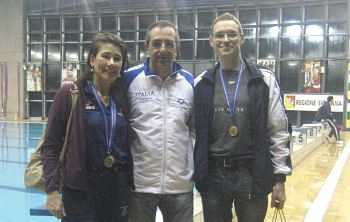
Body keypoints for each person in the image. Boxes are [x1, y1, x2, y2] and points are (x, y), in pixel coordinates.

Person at [193, 13, 292, 222]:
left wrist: (279, 180)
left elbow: (278, 130)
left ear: (242, 37)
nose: (225, 40)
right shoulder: (201, 83)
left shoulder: (264, 79)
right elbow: (192, 129)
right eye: (219, 35)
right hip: (214, 176)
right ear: (211, 41)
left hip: (252, 173)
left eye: (231, 34)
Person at [41, 33, 131, 222]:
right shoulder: (71, 94)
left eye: (117, 58)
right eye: (105, 56)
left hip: (117, 188)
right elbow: (50, 146)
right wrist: (52, 191)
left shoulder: (122, 98)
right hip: (81, 190)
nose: (111, 63)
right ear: (92, 60)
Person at [125, 20, 194, 222]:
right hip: (140, 185)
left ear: (177, 48)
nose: (162, 50)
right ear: (146, 47)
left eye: (169, 44)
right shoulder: (129, 79)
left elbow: (195, 127)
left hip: (179, 185)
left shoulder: (190, 82)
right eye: (156, 44)